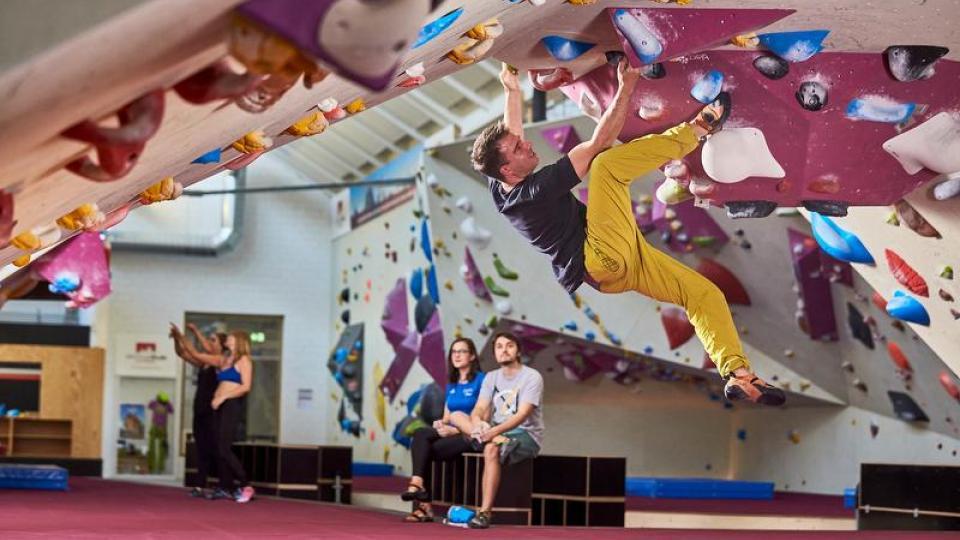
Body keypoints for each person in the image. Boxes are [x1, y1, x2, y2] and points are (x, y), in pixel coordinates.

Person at [470, 60, 785, 407]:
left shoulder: (501, 180)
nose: (526, 145)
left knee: (704, 295)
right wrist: (627, 83)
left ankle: (737, 373)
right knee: (607, 167)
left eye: (521, 142)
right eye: (518, 150)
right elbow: (601, 141)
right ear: (507, 169)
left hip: (610, 271)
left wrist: (511, 89)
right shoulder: (535, 191)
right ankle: (695, 130)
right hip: (601, 255)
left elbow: (511, 133)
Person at [461, 332, 544, 529]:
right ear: (495, 353)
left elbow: (521, 416)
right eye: (499, 346)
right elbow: (480, 408)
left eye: (509, 346)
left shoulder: (532, 377)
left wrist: (491, 433)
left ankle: (484, 513)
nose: (504, 350)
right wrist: (477, 422)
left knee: (490, 449)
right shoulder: (491, 377)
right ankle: (490, 438)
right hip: (498, 432)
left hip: (526, 435)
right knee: (460, 417)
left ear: (518, 351)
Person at [400, 337, 485, 523]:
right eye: (454, 352)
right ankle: (417, 484)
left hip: (471, 436)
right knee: (420, 434)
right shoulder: (452, 383)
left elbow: (483, 416)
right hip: (453, 430)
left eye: (462, 351)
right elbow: (447, 415)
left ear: (471, 356)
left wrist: (454, 430)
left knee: (426, 448)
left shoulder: (481, 380)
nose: (457, 355)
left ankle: (424, 505)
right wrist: (442, 424)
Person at [172, 325, 256, 504]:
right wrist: (179, 337)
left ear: (239, 341)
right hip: (218, 406)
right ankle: (225, 487)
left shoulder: (244, 360)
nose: (229, 340)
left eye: (231, 337)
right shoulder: (225, 360)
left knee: (224, 448)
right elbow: (195, 354)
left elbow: (245, 386)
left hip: (231, 403)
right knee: (219, 448)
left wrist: (223, 396)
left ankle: (245, 484)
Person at [171, 324, 225, 498]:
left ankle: (224, 485)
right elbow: (182, 353)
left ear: (221, 346)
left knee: (215, 449)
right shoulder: (204, 364)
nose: (208, 342)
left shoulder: (220, 361)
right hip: (199, 409)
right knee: (201, 448)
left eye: (213, 340)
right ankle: (200, 485)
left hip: (212, 411)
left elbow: (193, 351)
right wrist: (176, 339)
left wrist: (183, 334)